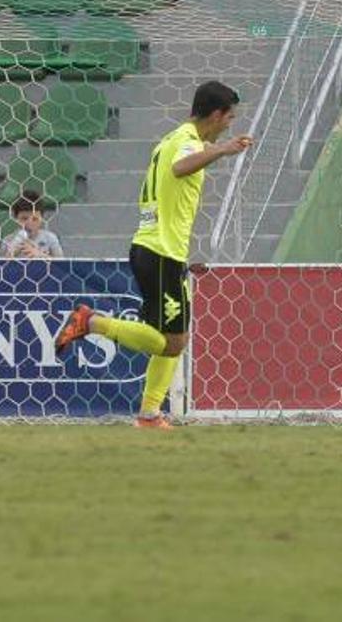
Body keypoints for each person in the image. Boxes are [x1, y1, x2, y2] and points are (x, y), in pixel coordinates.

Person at [54, 81, 254, 428]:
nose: (230, 124)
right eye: (229, 117)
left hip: (158, 249)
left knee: (170, 337)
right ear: (217, 114)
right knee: (174, 342)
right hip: (160, 251)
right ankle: (90, 321)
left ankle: (149, 414)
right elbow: (181, 168)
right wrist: (222, 150)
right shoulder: (188, 142)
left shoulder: (170, 139)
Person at [1, 189, 65, 258]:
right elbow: (0, 265)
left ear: (42, 218)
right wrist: (12, 253)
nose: (29, 223)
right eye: (24, 218)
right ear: (16, 219)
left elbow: (62, 265)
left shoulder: (50, 238)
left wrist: (41, 255)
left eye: (35, 219)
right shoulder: (8, 240)